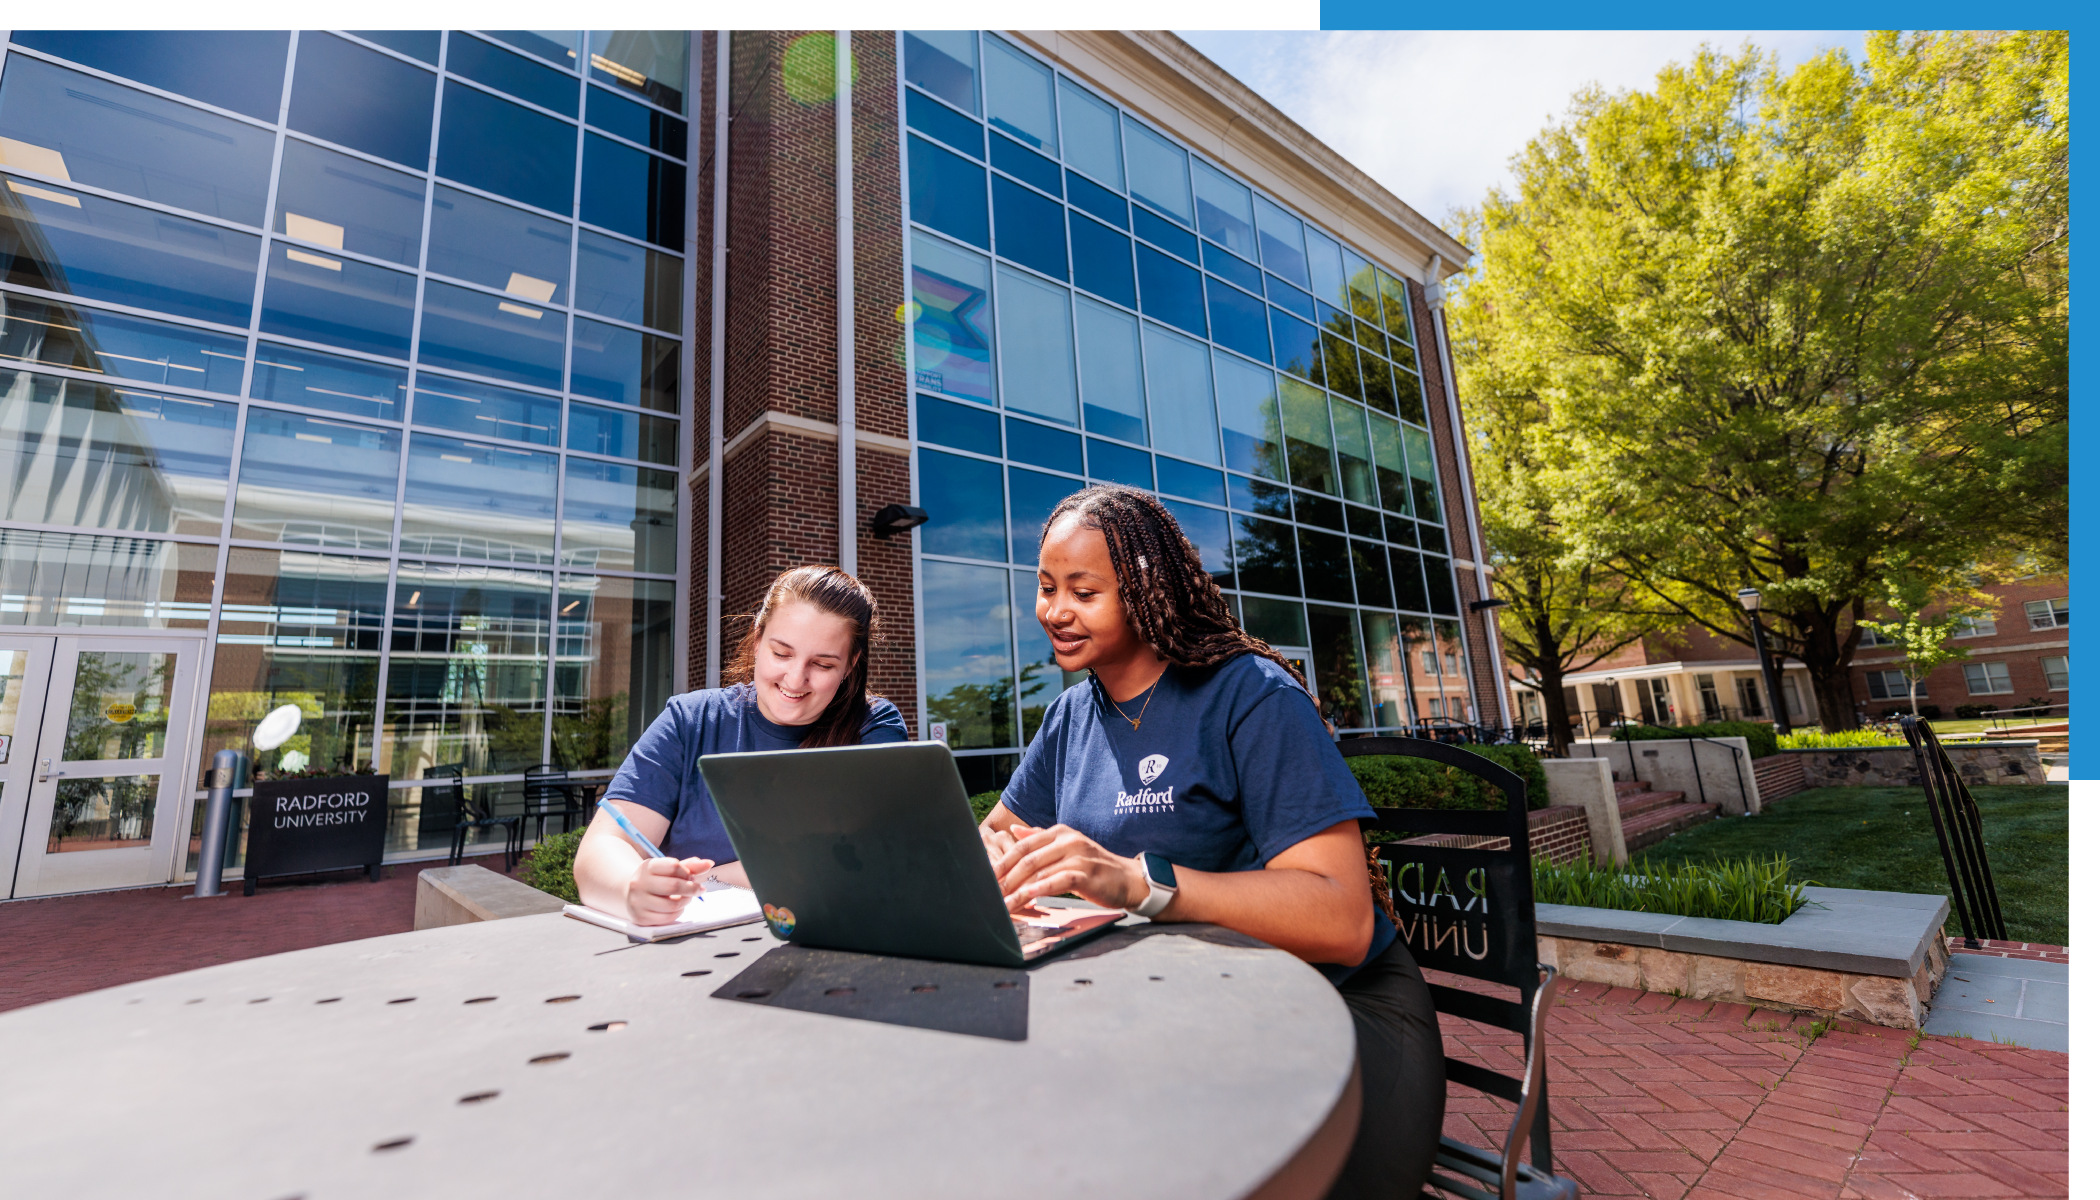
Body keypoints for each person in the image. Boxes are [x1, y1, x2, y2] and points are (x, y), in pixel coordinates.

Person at [980, 485, 1443, 1199]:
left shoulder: (1251, 695)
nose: (1055, 611)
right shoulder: (1071, 717)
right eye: (1046, 588)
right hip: (1184, 1009)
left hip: (1337, 1012)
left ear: (1146, 589)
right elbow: (996, 836)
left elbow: (1344, 919)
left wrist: (1141, 883)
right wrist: (991, 861)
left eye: (1084, 591)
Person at [574, 566, 907, 924]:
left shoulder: (873, 726)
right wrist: (631, 890)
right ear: (758, 638)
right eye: (781, 653)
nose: (795, 679)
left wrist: (705, 879)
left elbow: (855, 860)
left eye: (823, 664)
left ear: (850, 664)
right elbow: (601, 850)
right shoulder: (691, 720)